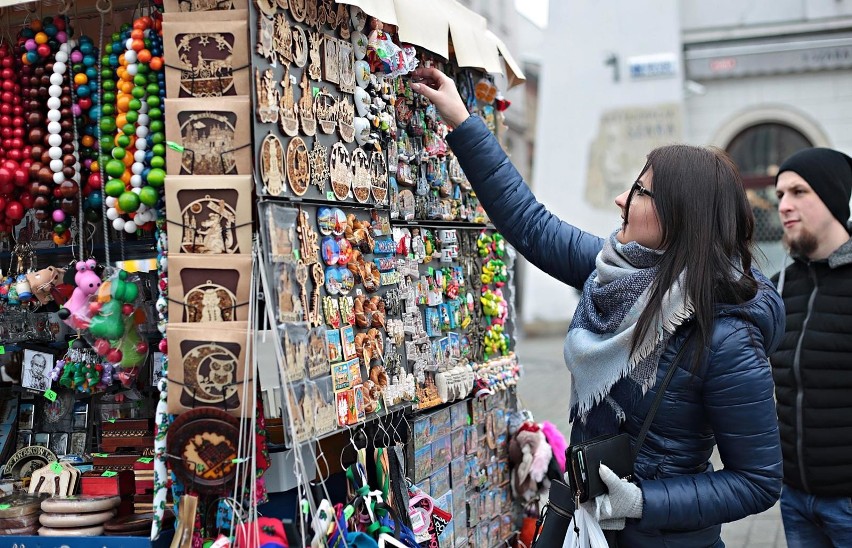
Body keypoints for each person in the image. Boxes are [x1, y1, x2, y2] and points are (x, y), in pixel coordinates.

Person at [410, 67, 784, 547]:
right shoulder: (616, 270)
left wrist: (644, 502)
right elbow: (529, 223)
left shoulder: (726, 335)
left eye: (640, 192)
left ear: (681, 214)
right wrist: (463, 122)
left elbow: (757, 481)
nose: (620, 199)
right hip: (591, 531)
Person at [771, 147, 852, 548]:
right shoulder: (778, 287)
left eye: (798, 192)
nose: (784, 205)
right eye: (780, 195)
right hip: (795, 498)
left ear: (833, 196)